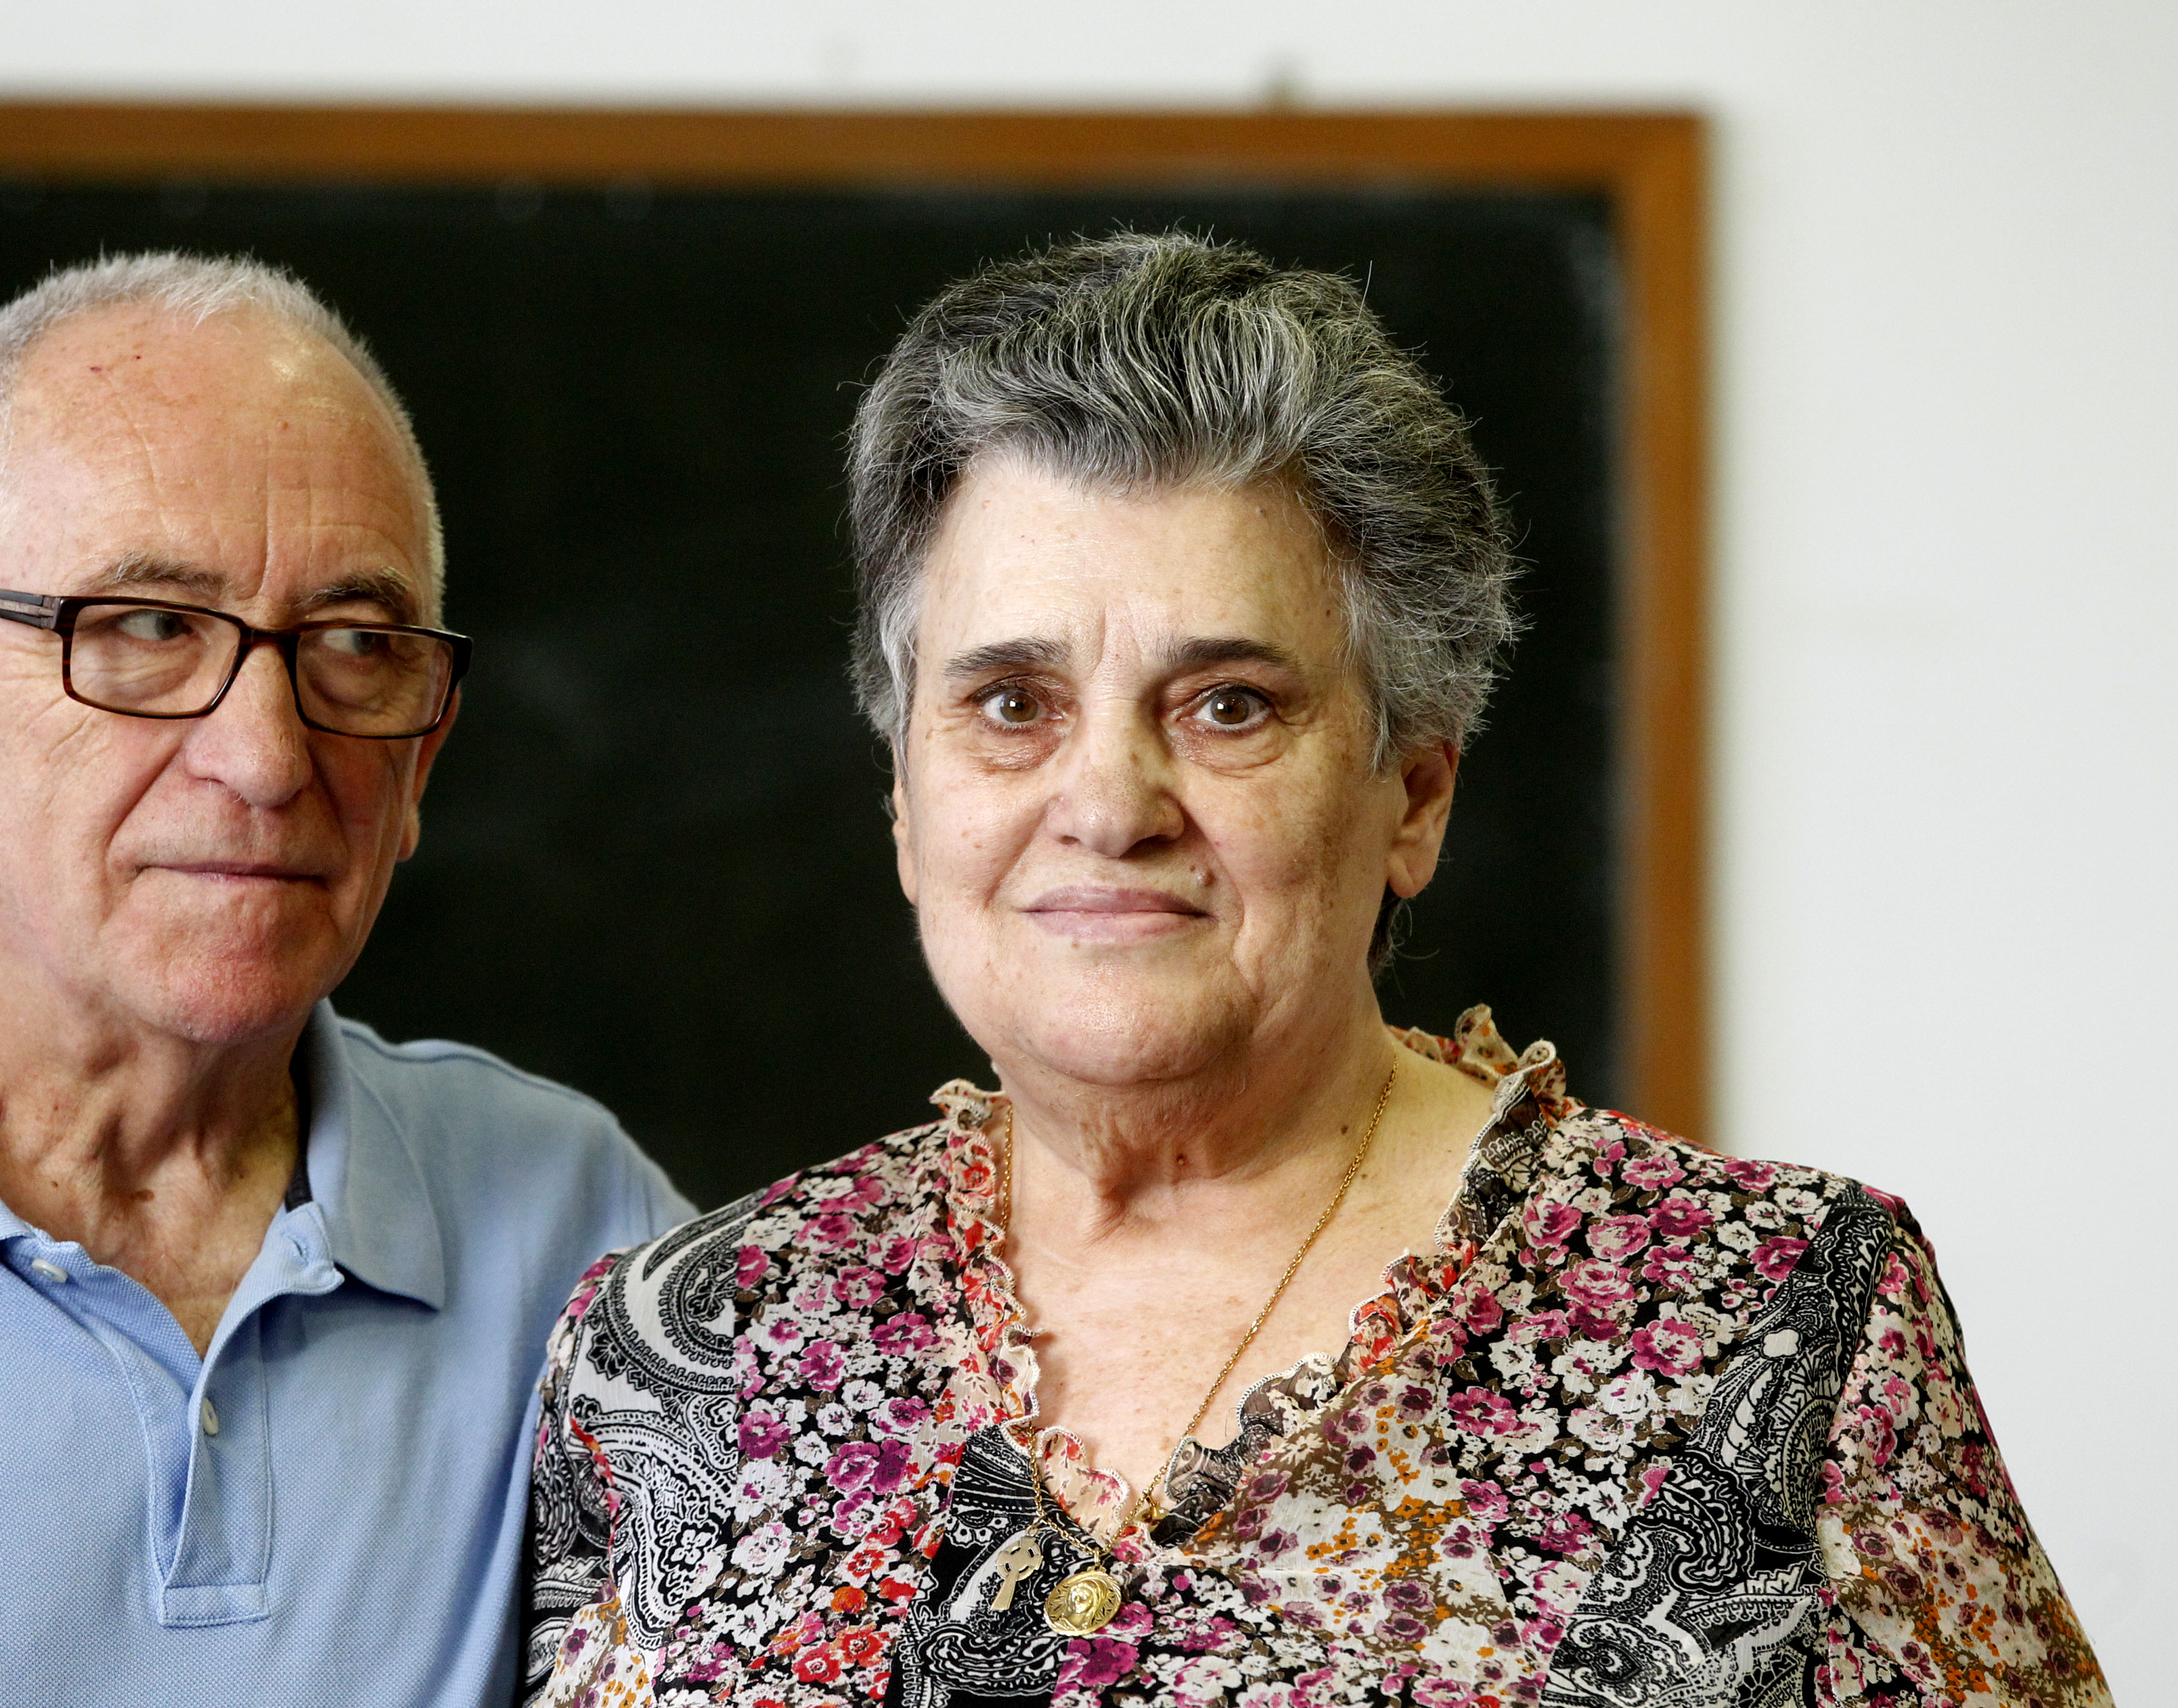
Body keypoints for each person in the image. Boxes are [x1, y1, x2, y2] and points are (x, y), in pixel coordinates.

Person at [523, 233, 2107, 1708]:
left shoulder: (1782, 1321)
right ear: (904, 802)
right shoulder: (675, 1352)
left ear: (1414, 792)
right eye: (1011, 704)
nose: (1108, 805)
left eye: (1227, 705)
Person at [0, 253, 687, 1705]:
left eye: (356, 648)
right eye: (146, 629)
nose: (267, 759)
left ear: (423, 757)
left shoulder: (578, 1233)